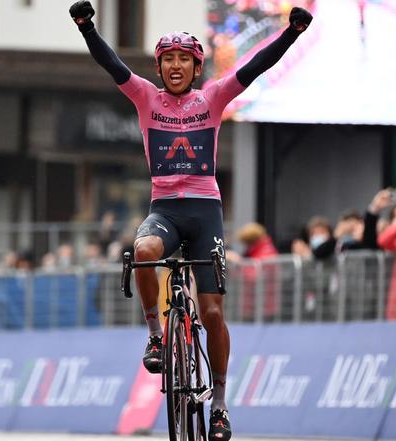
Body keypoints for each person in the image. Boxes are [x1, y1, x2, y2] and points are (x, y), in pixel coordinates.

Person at [69, 1, 312, 438]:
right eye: (168, 60)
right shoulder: (145, 96)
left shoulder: (213, 97)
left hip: (205, 213)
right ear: (159, 67)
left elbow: (256, 65)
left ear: (196, 67)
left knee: (213, 313)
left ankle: (218, 402)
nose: (176, 66)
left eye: (184, 59)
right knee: (142, 251)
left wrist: (291, 33)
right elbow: (111, 63)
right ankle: (155, 334)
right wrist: (87, 27)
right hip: (164, 211)